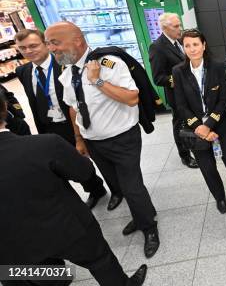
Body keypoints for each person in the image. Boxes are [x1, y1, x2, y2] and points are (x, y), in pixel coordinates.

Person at [0, 92, 148, 286]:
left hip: (12, 246)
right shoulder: (44, 145)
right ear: (4, 108)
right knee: (100, 262)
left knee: (48, 278)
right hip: (69, 228)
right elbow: (85, 173)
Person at [44, 22, 159, 258]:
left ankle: (149, 227)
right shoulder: (67, 73)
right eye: (48, 44)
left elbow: (131, 98)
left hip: (122, 139)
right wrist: (79, 139)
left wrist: (97, 81)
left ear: (77, 40)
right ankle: (140, 216)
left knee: (132, 186)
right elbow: (73, 108)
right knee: (116, 184)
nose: (51, 49)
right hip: (94, 142)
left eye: (55, 42)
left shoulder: (108, 64)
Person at [14, 28, 107, 209]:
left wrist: (79, 135)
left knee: (87, 158)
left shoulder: (64, 65)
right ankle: (93, 190)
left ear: (46, 44)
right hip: (48, 127)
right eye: (22, 48)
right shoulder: (23, 71)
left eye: (33, 46)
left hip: (73, 123)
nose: (28, 51)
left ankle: (106, 188)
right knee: (63, 164)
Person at [173, 29, 226, 214]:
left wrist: (208, 125)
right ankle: (219, 197)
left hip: (220, 123)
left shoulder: (217, 66)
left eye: (195, 44)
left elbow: (223, 100)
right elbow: (180, 105)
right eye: (187, 45)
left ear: (204, 45)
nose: (192, 49)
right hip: (195, 128)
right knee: (207, 168)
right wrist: (199, 127)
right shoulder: (178, 71)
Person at [149, 13, 198, 168]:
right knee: (180, 123)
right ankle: (185, 155)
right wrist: (180, 80)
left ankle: (197, 144)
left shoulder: (180, 42)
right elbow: (158, 78)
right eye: (176, 26)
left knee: (194, 118)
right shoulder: (157, 47)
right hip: (177, 95)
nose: (180, 29)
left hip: (192, 91)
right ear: (164, 28)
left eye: (180, 25)